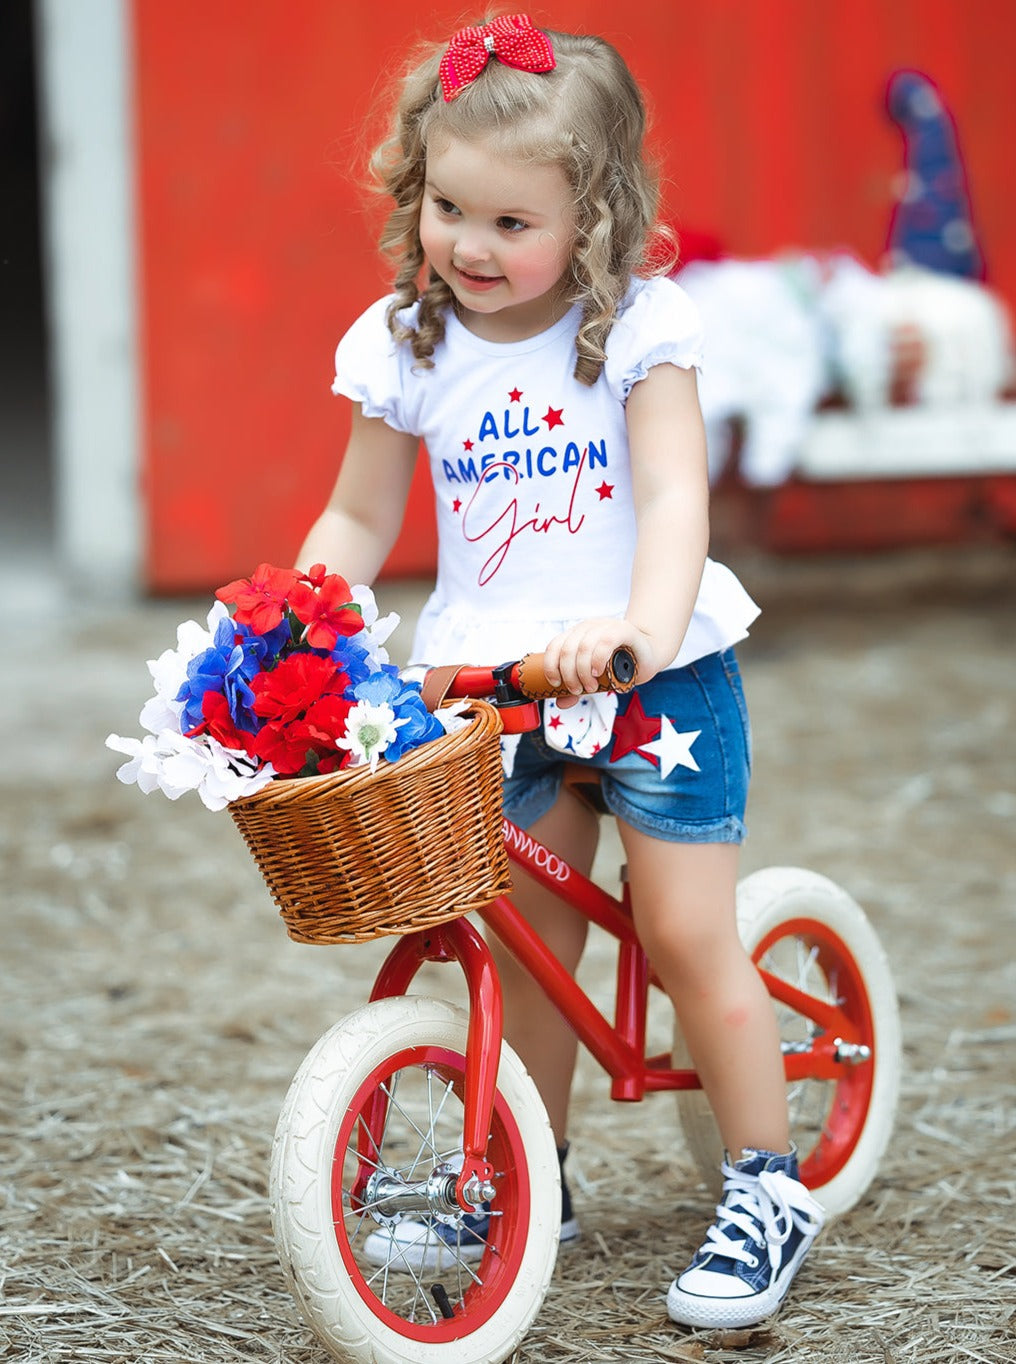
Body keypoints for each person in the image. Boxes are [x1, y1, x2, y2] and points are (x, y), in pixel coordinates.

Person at [296, 14, 824, 1330]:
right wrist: (310, 615)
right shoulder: (409, 341)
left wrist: (637, 632)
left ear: (590, 217)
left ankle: (769, 1184)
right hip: (495, 687)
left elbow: (670, 494)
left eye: (512, 224)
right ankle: (535, 1171)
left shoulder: (637, 330)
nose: (471, 246)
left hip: (646, 682)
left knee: (695, 935)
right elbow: (360, 518)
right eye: (447, 207)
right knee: (530, 950)